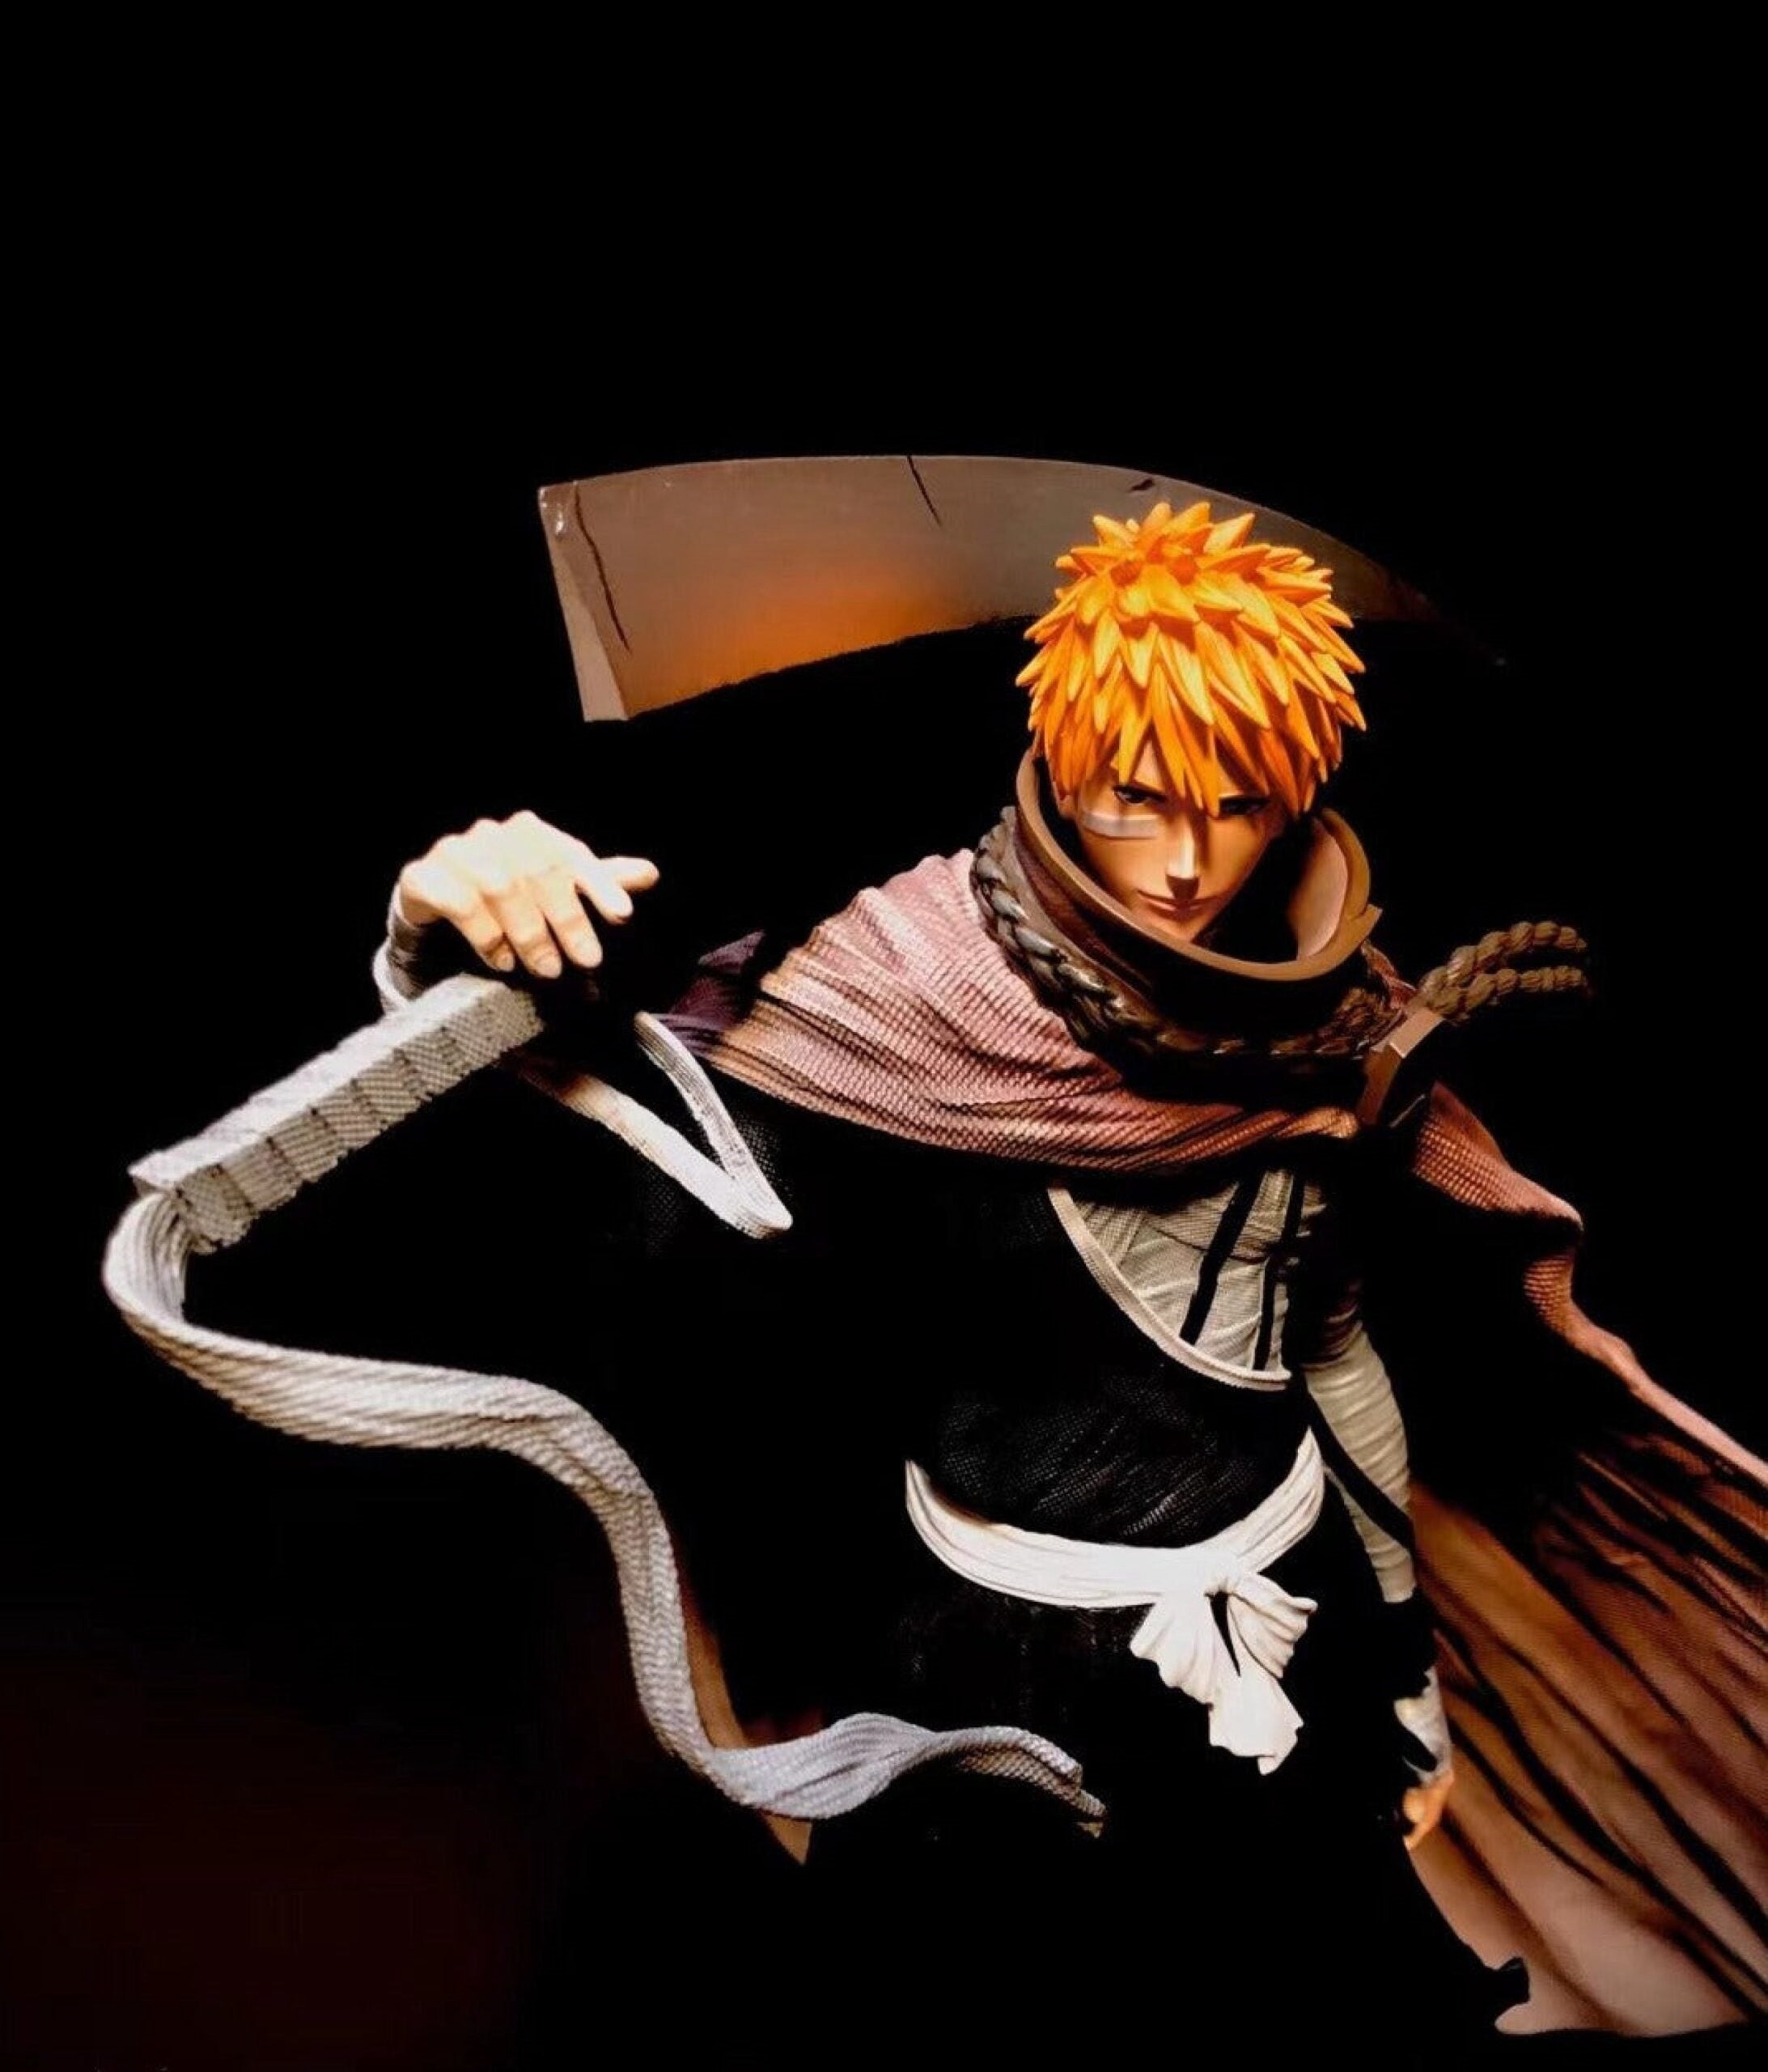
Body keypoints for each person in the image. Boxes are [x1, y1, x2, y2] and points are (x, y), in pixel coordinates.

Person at [380, 502, 1553, 2049]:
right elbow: (631, 1135)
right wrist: (458, 921)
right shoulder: (894, 998)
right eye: (1137, 796)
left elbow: (1328, 1343)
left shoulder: (1338, 1021)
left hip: (1298, 1602)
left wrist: (1402, 1665)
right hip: (999, 1665)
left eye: (1239, 806)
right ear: (1060, 755)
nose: (1186, 864)